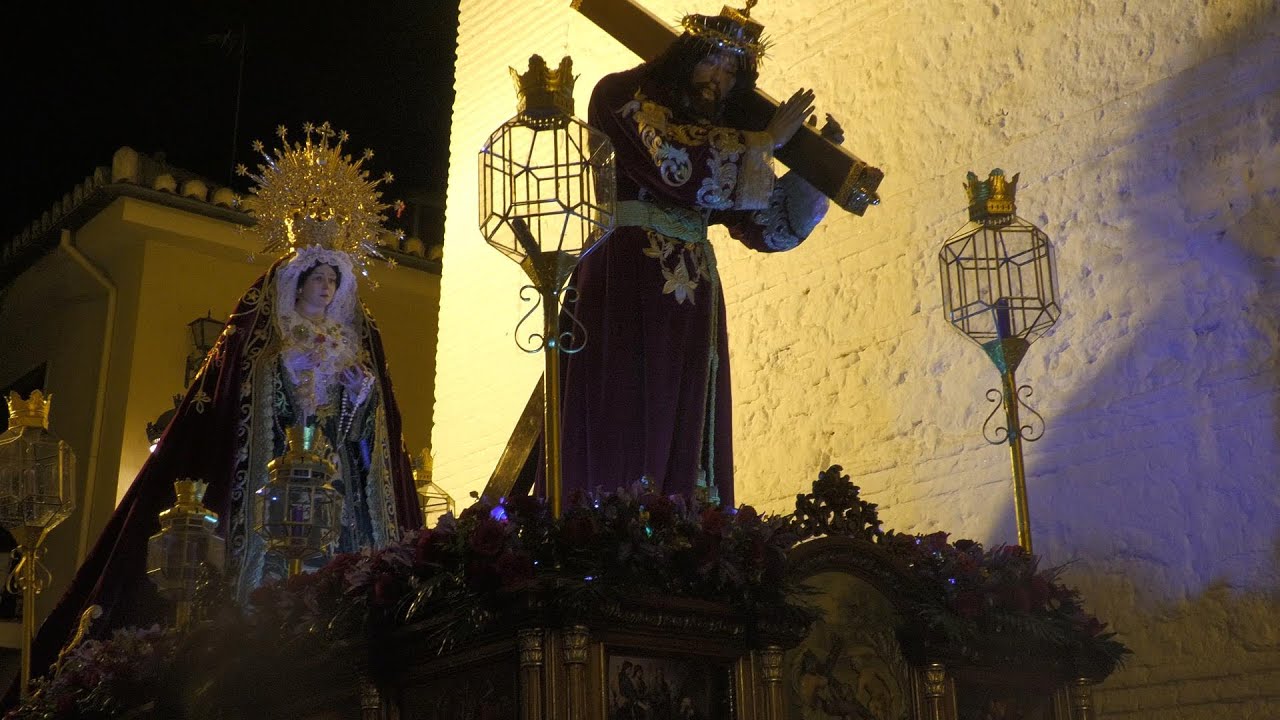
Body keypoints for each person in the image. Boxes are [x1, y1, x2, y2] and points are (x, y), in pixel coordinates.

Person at [24, 123, 421, 690]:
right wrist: (288, 376)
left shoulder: (357, 338)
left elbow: (371, 421)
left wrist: (358, 396)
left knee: (339, 572)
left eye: (335, 280)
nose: (327, 290)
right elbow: (246, 388)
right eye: (319, 278)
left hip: (338, 485)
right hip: (278, 474)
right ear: (299, 279)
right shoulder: (265, 330)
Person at [559, 3, 841, 506]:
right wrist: (766, 143)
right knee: (631, 403)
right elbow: (675, 165)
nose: (721, 80)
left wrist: (810, 173)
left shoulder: (728, 136)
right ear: (684, 56)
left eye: (733, 72)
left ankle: (687, 530)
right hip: (627, 274)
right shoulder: (621, 94)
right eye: (713, 62)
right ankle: (614, 526)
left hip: (694, 288)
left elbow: (764, 225)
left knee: (689, 412)